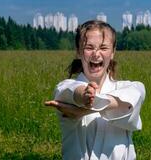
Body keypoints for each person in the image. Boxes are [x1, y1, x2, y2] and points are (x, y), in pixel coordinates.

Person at [45, 20, 145, 160]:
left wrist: (85, 110)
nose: (96, 54)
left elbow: (136, 95)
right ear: (78, 52)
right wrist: (84, 96)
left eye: (103, 48)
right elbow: (71, 93)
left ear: (113, 52)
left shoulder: (128, 87)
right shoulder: (64, 86)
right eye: (89, 47)